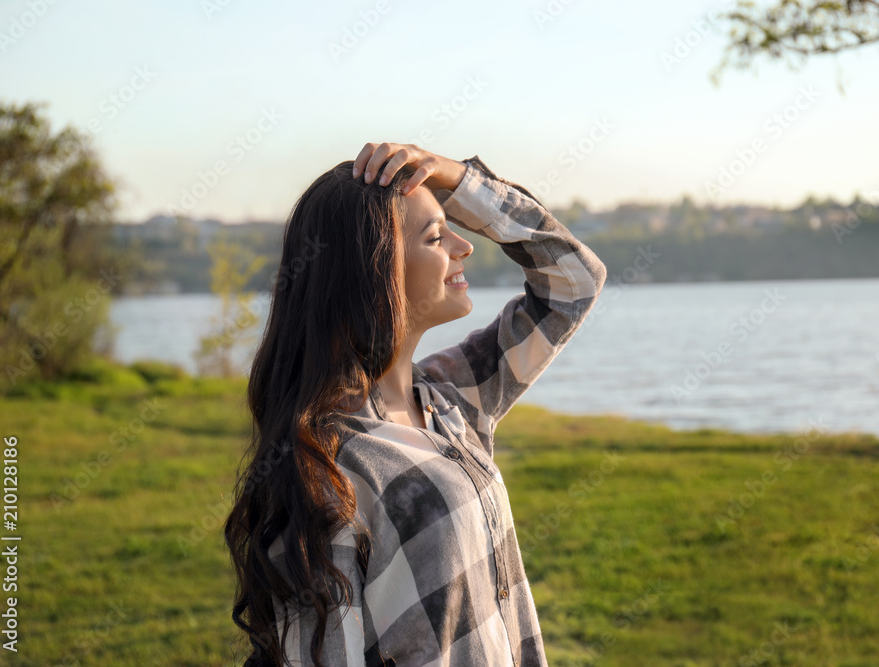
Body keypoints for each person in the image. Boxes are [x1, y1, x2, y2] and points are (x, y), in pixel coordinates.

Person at [225, 142, 607, 666]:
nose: (463, 245)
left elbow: (574, 283)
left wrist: (458, 180)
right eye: (435, 235)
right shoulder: (326, 466)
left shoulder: (453, 399)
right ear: (374, 269)